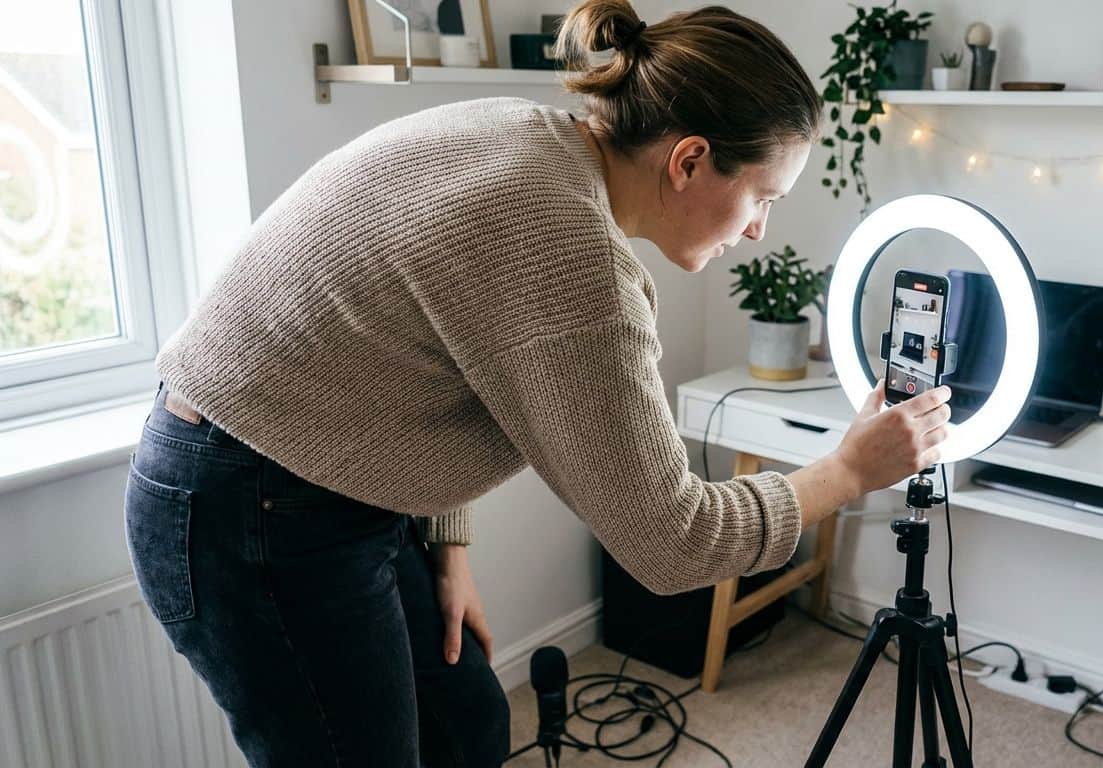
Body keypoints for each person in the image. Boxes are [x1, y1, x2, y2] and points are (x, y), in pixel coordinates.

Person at [122, 1, 951, 765]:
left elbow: (434, 357)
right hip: (245, 505)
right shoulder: (573, 259)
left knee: (469, 725)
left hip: (309, 483)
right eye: (763, 197)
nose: (760, 229)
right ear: (690, 160)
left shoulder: (530, 135)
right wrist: (847, 471)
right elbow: (673, 543)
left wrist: (445, 545)